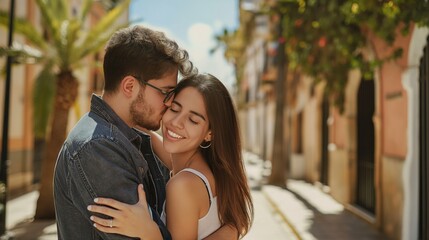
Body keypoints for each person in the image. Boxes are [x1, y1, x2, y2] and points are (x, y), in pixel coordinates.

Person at [87, 73, 254, 240]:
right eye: (174, 109)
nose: (176, 122)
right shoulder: (205, 168)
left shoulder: (183, 185)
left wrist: (148, 231)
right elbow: (147, 132)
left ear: (210, 133)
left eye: (193, 120)